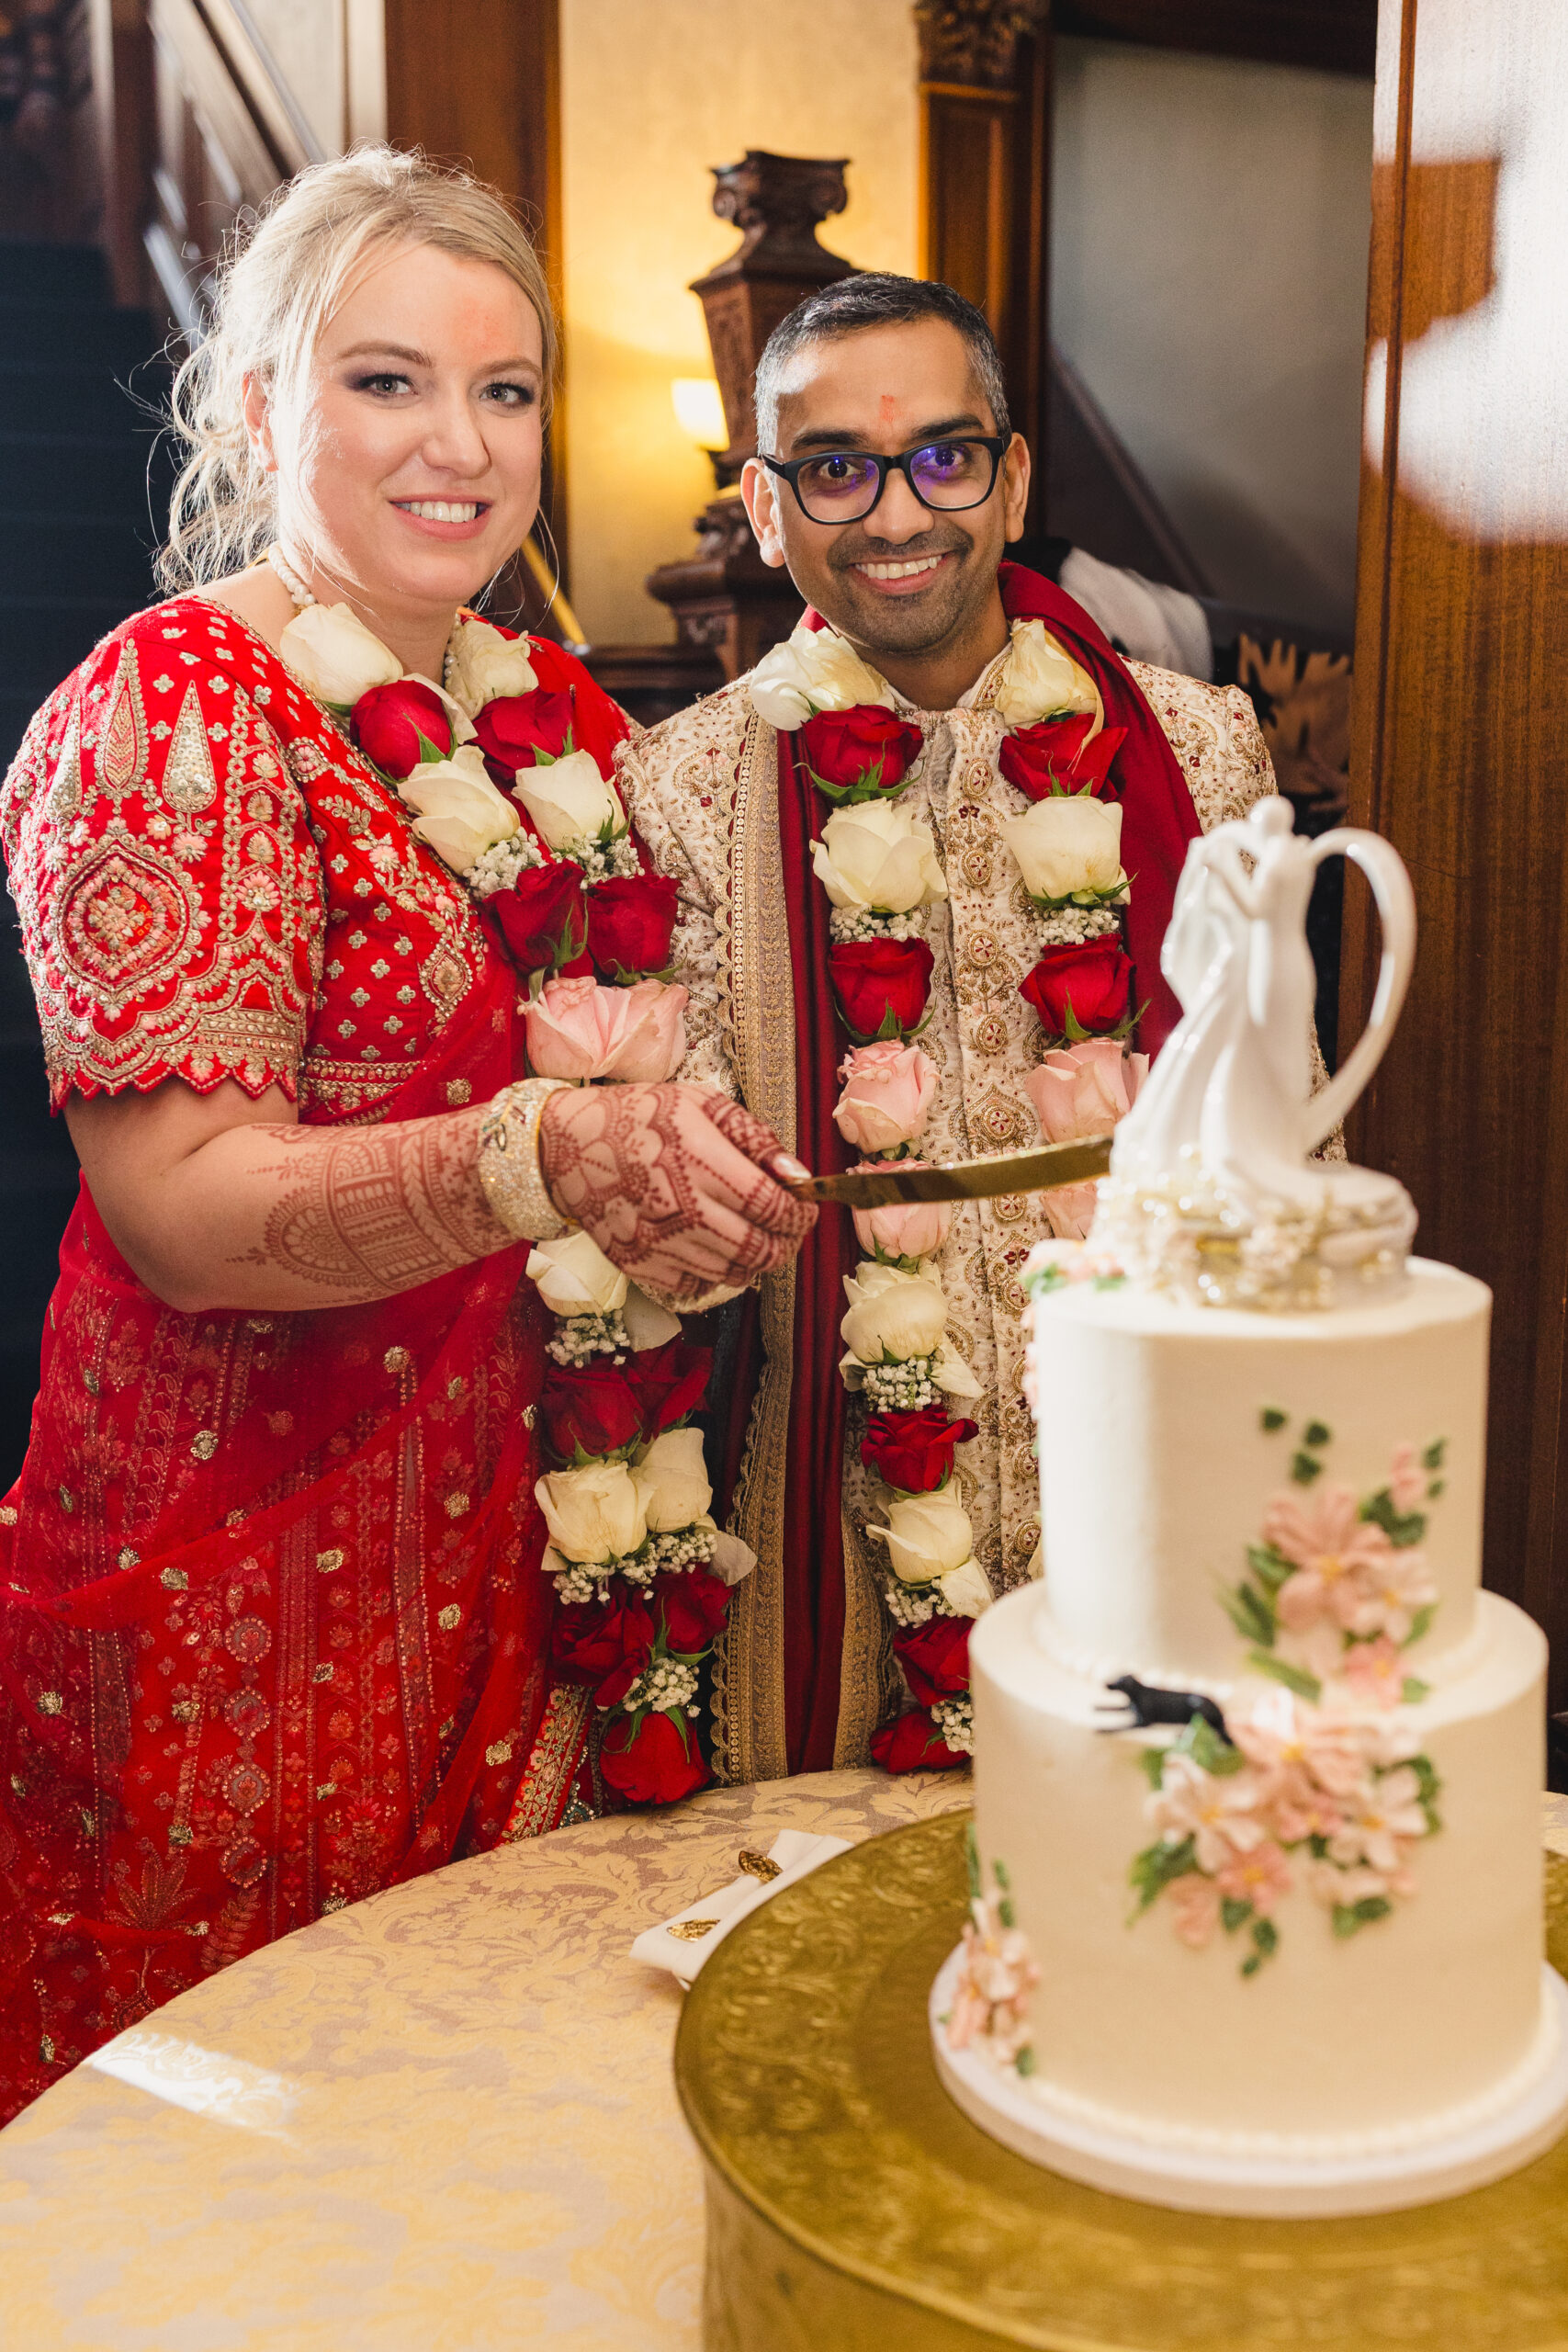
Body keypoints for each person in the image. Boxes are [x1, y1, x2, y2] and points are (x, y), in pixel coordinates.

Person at [0, 148, 812, 2122]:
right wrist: (543, 1156)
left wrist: (674, 1198)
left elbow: (594, 1124)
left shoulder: (557, 726)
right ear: (263, 405)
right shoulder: (173, 708)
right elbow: (183, 1213)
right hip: (245, 1612)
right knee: (227, 2197)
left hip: (522, 1569)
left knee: (478, 2176)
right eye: (387, 382)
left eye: (506, 390)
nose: (461, 443)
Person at [617, 274, 1290, 1787]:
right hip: (833, 1542)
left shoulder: (1196, 746)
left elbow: (1278, 1125)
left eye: (944, 454)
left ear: (1014, 475)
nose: (900, 510)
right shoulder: (672, 790)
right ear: (767, 506)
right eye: (838, 467)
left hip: (1154, 1498)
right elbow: (671, 1221)